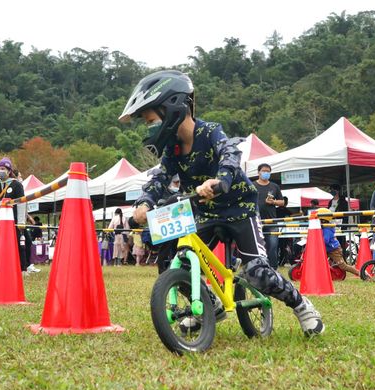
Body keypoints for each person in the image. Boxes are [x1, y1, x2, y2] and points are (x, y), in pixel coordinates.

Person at [121, 70, 323, 336]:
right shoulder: (173, 150)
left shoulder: (209, 131)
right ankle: (208, 302)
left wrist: (221, 180)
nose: (150, 128)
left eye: (151, 120)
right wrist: (144, 203)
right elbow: (160, 178)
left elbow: (230, 152)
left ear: (171, 108)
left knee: (257, 272)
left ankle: (302, 306)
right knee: (174, 259)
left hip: (240, 209)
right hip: (205, 211)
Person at [0, 157, 38, 274]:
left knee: (18, 244)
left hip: (14, 220)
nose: (1, 171)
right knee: (0, 245)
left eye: (3, 168)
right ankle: (1, 268)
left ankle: (22, 268)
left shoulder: (16, 185)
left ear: (9, 170)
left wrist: (21, 221)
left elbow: (22, 203)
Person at [254, 163, 284, 270]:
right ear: (258, 172)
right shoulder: (252, 185)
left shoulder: (274, 186)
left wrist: (273, 201)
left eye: (268, 171)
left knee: (272, 246)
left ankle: (273, 268)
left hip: (272, 221)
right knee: (257, 247)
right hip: (256, 221)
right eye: (263, 171)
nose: (266, 173)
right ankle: (260, 268)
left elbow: (282, 202)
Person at [316, 208, 359, 276]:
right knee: (318, 261)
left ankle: (360, 273)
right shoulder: (323, 228)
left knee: (343, 266)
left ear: (323, 220)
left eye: (318, 219)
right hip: (327, 249)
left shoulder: (327, 229)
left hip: (334, 250)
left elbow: (325, 241)